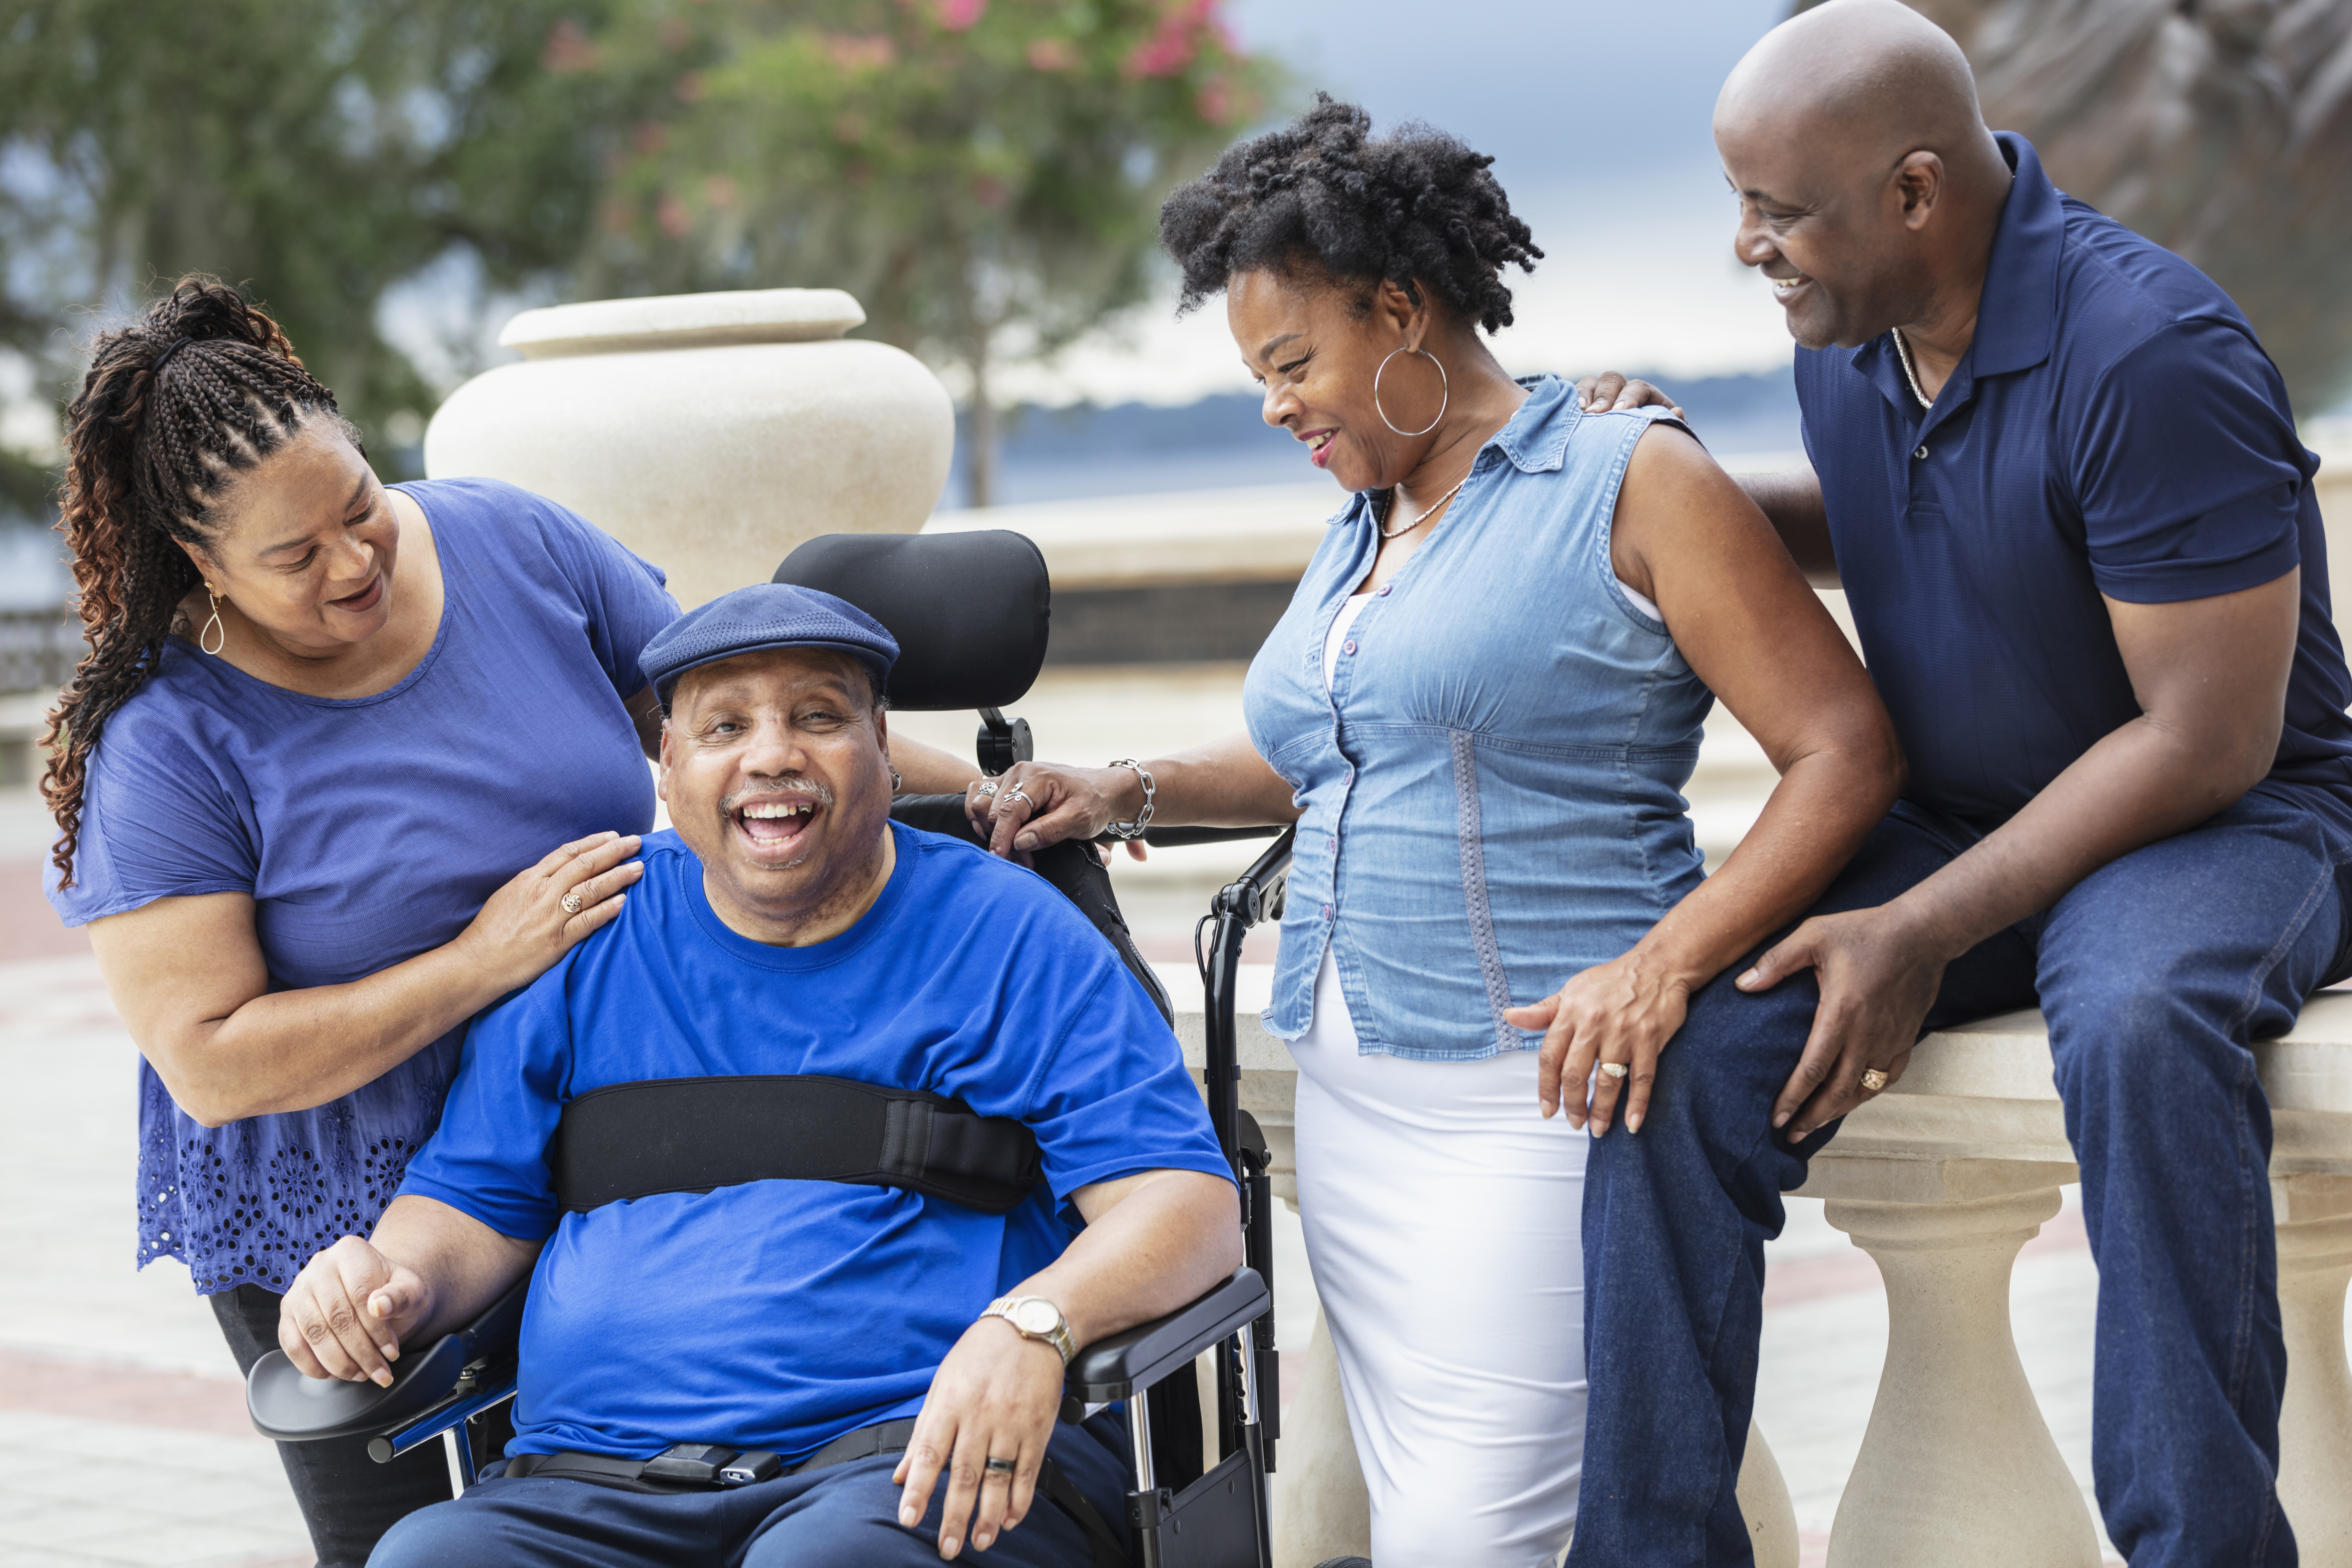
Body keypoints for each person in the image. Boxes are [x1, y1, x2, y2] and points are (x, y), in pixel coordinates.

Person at [960, 98, 1906, 1567]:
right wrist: (1126, 788)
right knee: (1421, 1518)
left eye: (1292, 363)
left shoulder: (1627, 475)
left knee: (1483, 1534)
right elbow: (1341, 756)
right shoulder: (1370, 512)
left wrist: (1667, 963)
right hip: (1354, 1112)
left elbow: (1843, 752)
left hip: (1534, 1102)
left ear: (1399, 310)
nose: (1276, 405)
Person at [1567, 4, 2352, 1565]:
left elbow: (2208, 739)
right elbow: (1917, 512)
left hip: (2225, 819)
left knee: (2136, 1020)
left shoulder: (2150, 350)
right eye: (1738, 204)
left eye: (1776, 211)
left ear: (1915, 194)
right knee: (1681, 1051)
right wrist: (1672, 482)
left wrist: (1915, 929)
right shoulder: (1854, 338)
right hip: (1971, 817)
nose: (1746, 248)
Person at [38, 278, 980, 1564]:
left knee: (646, 1507)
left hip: (597, 1138)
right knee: (423, 1543)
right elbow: (208, 1059)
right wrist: (482, 962)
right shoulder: (169, 743)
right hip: (351, 1203)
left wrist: (991, 794)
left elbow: (743, 736)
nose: (357, 559)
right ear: (202, 565)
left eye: (359, 507)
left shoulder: (512, 542)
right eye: (296, 557)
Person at [274, 583, 1242, 1568]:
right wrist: (377, 1284)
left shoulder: (1011, 934)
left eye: (817, 717)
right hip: (590, 1482)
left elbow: (1188, 1207)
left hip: (908, 1465)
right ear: (669, 768)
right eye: (724, 726)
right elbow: (472, 1203)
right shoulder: (586, 932)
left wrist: (1038, 1324)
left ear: (880, 744)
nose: (771, 754)